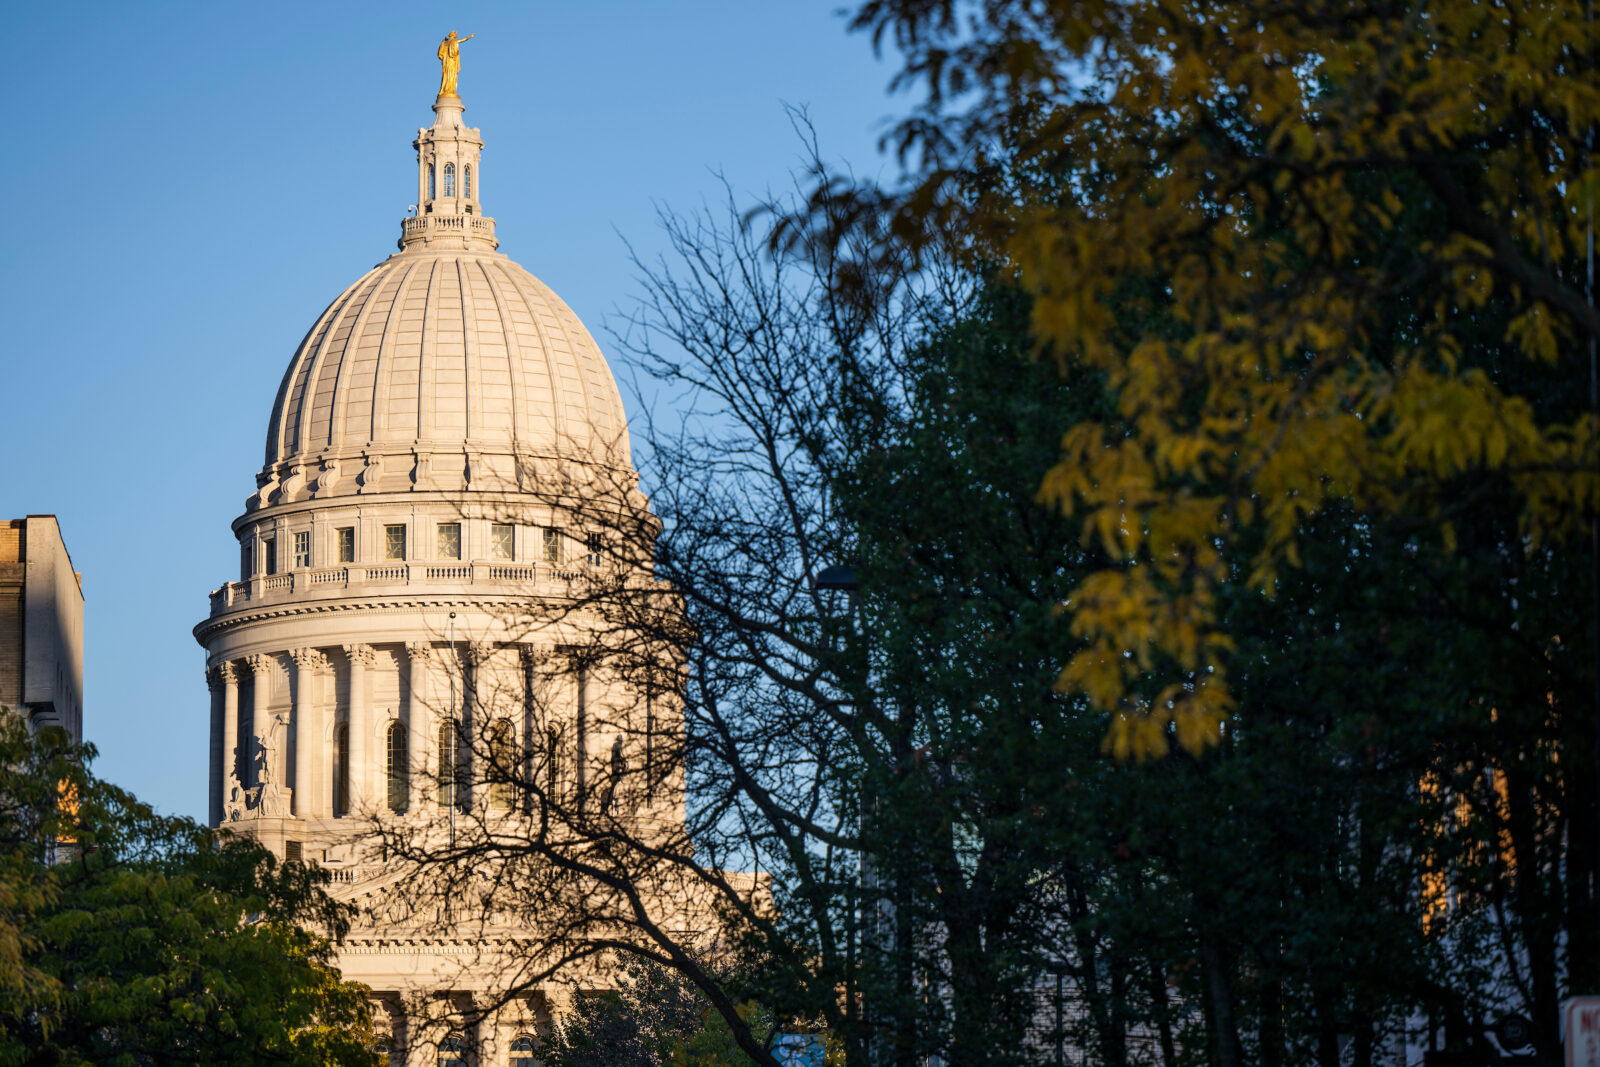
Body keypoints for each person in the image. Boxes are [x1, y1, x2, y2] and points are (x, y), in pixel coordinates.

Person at [437, 30, 475, 97]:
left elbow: (440, 54)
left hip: (446, 62)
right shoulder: (453, 41)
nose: (456, 35)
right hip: (452, 61)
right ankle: (449, 90)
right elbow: (463, 40)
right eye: (456, 34)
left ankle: (445, 89)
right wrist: (470, 36)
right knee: (451, 75)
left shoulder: (444, 43)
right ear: (453, 35)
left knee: (446, 75)